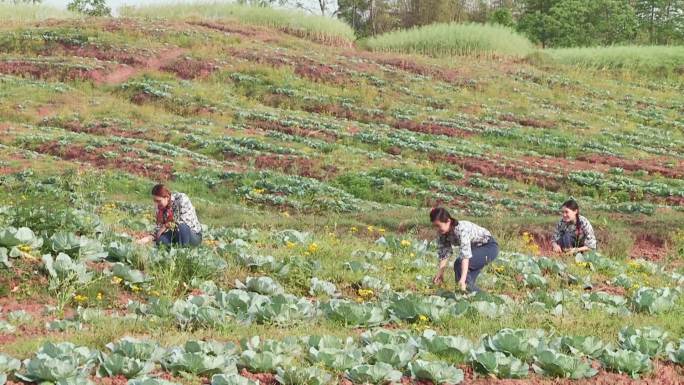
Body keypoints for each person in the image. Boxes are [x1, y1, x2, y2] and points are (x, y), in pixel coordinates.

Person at [430, 207, 499, 293]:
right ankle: (472, 298)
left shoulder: (461, 229)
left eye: (438, 226)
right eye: (435, 226)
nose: (437, 229)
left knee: (459, 266)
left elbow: (465, 256)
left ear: (448, 221)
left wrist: (462, 280)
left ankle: (482, 297)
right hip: (475, 250)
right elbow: (444, 254)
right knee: (468, 286)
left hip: (488, 247)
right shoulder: (443, 233)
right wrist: (440, 273)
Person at [137, 184, 203, 247]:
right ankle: (174, 250)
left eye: (158, 201)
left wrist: (166, 225)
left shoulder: (182, 199)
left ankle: (183, 253)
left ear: (167, 197)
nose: (156, 204)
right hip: (175, 233)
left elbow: (184, 222)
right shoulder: (160, 208)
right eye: (154, 201)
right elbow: (159, 228)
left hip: (193, 235)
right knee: (161, 240)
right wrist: (148, 238)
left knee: (181, 227)